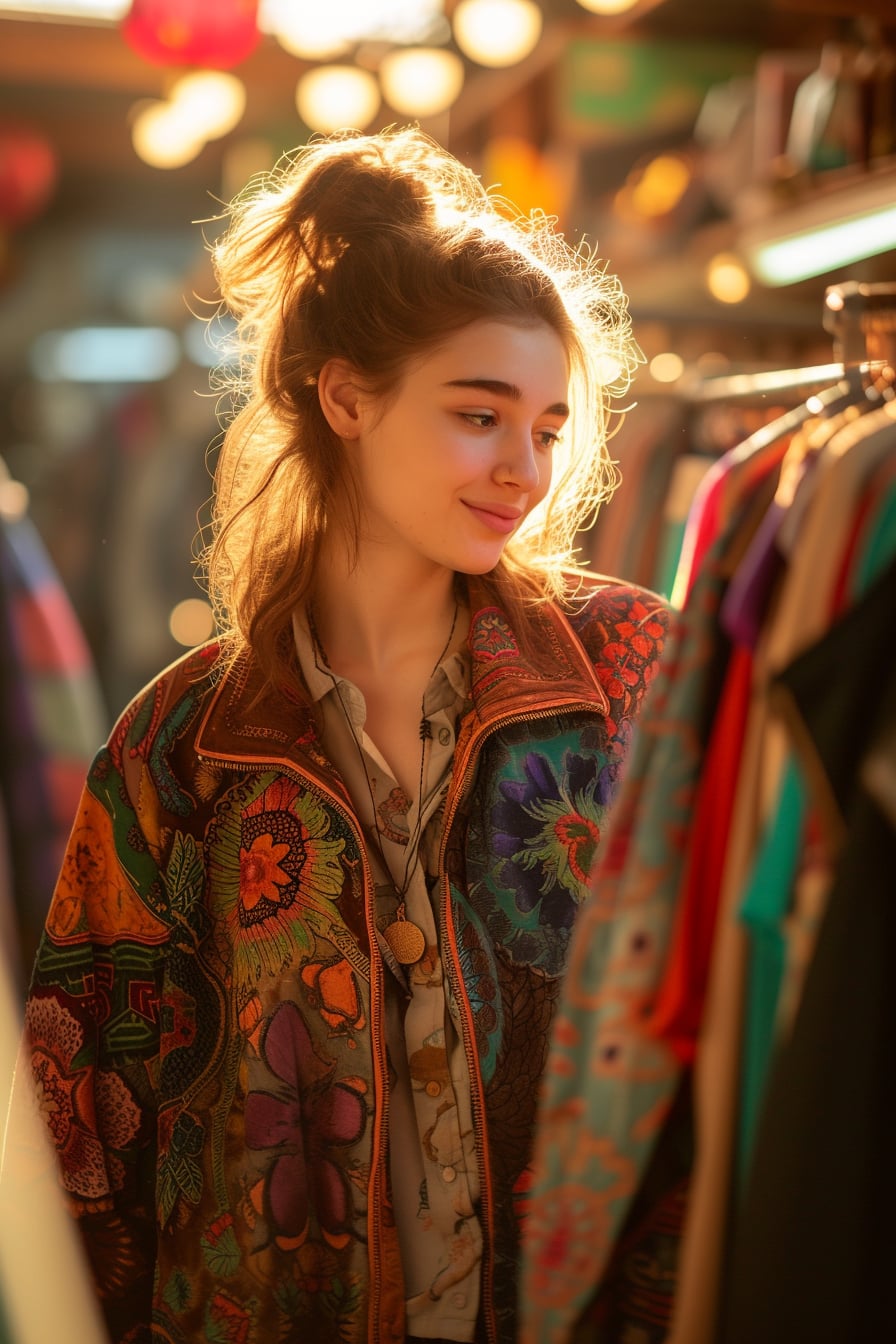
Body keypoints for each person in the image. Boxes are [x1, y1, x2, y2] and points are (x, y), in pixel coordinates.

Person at [21, 125, 669, 1344]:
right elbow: (84, 1132)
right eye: (479, 415)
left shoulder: (632, 677)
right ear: (347, 396)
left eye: (544, 426)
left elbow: (730, 1044)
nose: (522, 470)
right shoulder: (181, 745)